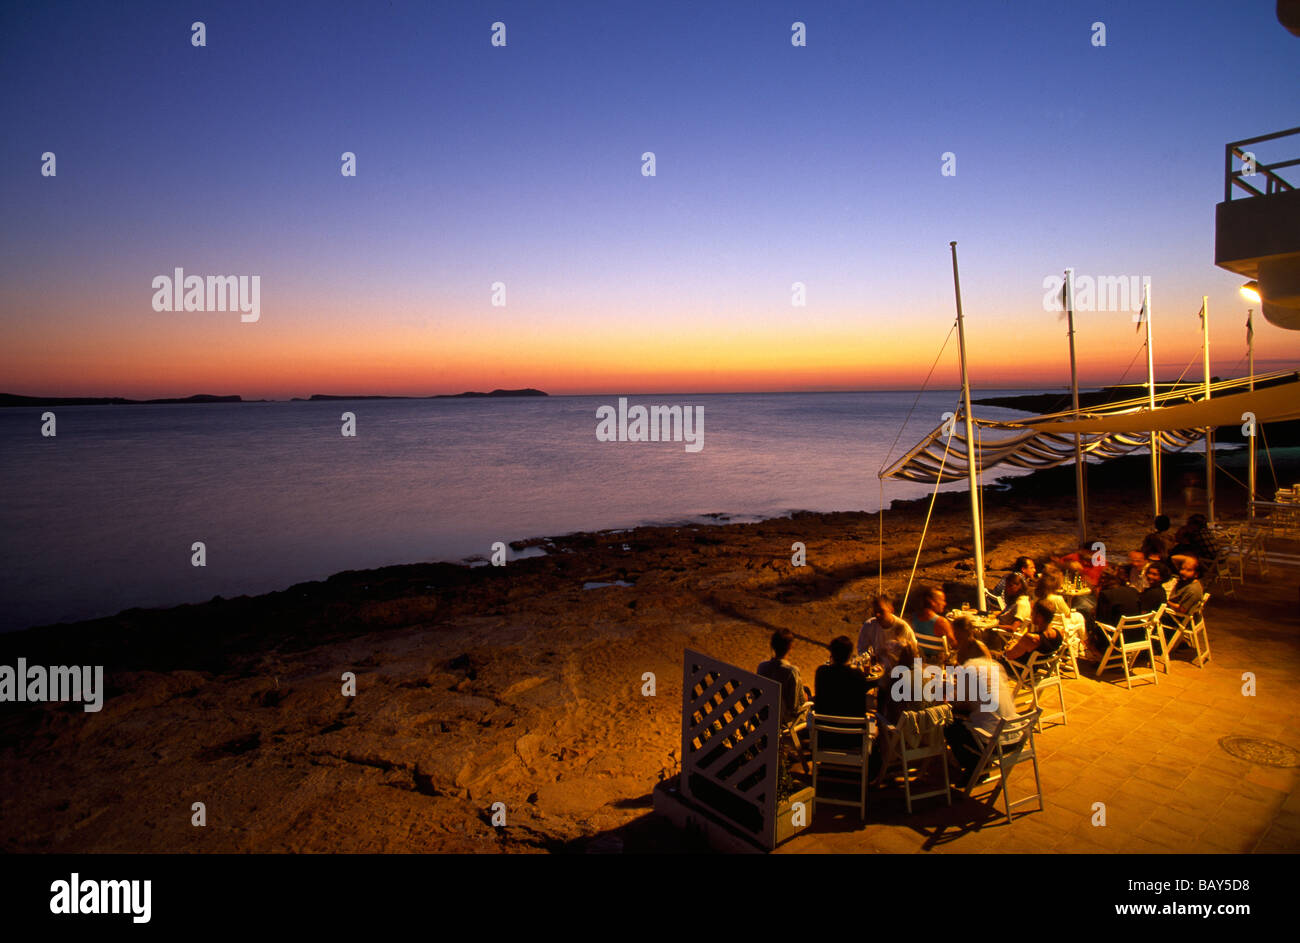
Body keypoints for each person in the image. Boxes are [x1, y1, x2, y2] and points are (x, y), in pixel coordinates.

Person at [943, 641, 1022, 784]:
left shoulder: (969, 668)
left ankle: (974, 768)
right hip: (1015, 737)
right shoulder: (996, 667)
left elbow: (957, 703)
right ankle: (979, 763)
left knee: (949, 725)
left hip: (995, 744)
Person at [813, 636, 872, 750]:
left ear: (832, 654)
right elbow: (862, 708)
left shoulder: (822, 672)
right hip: (853, 738)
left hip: (825, 736)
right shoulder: (858, 675)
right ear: (850, 655)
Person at [859, 593, 918, 681]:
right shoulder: (869, 625)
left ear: (891, 609)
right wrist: (868, 659)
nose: (878, 615)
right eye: (875, 612)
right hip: (876, 673)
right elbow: (862, 649)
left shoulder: (903, 628)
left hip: (899, 675)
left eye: (881, 612)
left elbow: (914, 655)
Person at [757, 628, 807, 727]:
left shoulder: (762, 667)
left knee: (806, 689)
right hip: (784, 720)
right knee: (808, 696)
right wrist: (805, 699)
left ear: (772, 645)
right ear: (790, 646)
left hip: (766, 716)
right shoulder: (791, 671)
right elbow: (794, 707)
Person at [1089, 564, 1143, 654]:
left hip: (1118, 639)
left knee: (1090, 618)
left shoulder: (1106, 594)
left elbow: (1101, 619)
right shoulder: (1133, 591)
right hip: (1137, 636)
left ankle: (1097, 654)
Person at [1161, 555, 1205, 628]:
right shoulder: (1187, 580)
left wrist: (1165, 601)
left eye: (1189, 570)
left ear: (1196, 574)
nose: (1183, 572)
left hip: (1178, 619)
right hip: (1174, 613)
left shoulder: (1192, 590)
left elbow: (1181, 610)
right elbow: (1173, 558)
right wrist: (1189, 559)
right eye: (1182, 569)